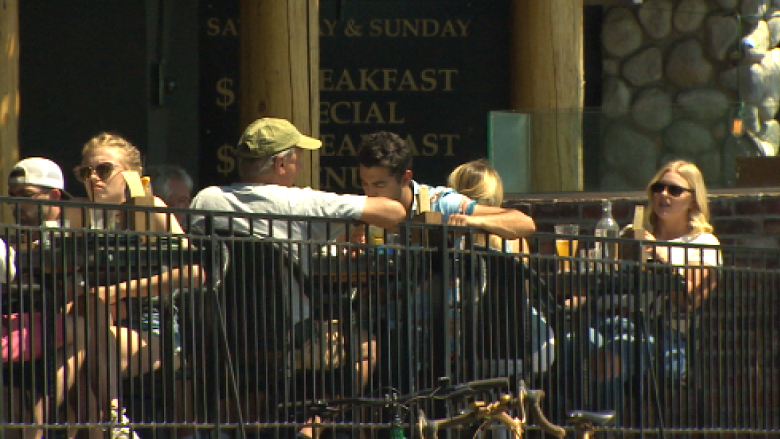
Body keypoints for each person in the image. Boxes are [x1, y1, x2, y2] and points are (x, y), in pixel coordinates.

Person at [190, 118, 406, 438]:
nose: (299, 164)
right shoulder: (301, 202)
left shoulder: (205, 200)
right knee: (365, 344)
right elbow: (393, 212)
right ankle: (314, 424)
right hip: (289, 337)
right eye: (296, 158)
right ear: (280, 163)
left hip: (220, 334)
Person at [72, 133, 202, 437]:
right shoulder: (80, 214)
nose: (94, 179)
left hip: (151, 325)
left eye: (103, 170)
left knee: (79, 351)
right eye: (85, 172)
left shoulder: (148, 209)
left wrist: (119, 292)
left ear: (129, 175)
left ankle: (112, 421)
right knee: (75, 338)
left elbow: (196, 271)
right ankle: (111, 424)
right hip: (92, 322)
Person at [568, 159, 720, 416]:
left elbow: (689, 300)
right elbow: (608, 281)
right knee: (567, 343)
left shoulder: (702, 243)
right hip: (609, 323)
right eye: (658, 188)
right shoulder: (634, 233)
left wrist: (658, 254)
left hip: (665, 340)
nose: (663, 194)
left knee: (608, 359)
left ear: (693, 200)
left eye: (674, 190)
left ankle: (602, 431)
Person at [4, 157, 128, 439]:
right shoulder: (10, 238)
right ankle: (110, 417)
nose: (15, 204)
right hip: (19, 326)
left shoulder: (72, 238)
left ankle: (100, 420)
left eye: (26, 196)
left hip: (37, 326)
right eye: (12, 197)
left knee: (84, 326)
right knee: (82, 331)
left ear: (54, 196)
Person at [446, 159, 554, 375]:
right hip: (518, 348)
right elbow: (521, 299)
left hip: (456, 346)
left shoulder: (444, 234)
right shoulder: (515, 241)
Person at [356, 131, 536, 239]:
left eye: (379, 185)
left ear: (405, 178)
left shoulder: (442, 203)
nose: (370, 193)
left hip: (448, 302)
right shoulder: (363, 211)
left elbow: (524, 223)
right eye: (365, 184)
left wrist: (472, 221)